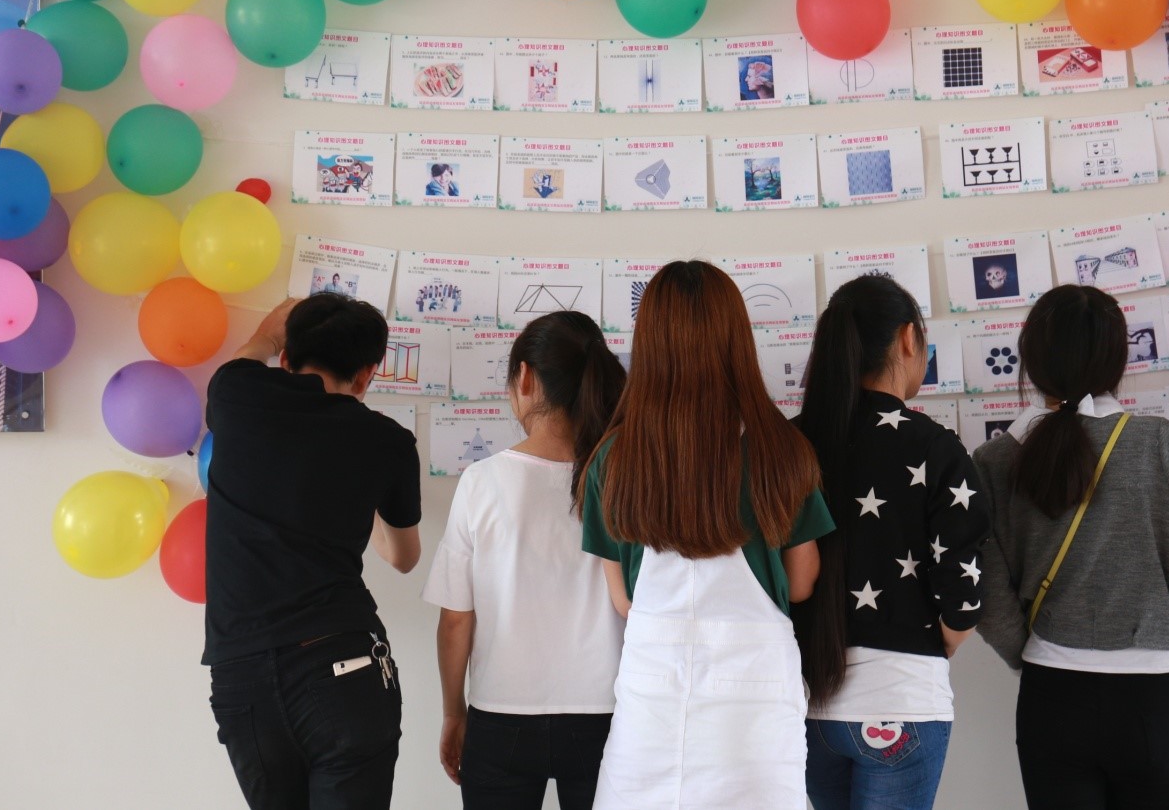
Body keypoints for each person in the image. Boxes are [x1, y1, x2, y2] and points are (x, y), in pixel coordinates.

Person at [973, 284, 1169, 810]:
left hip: (1052, 693)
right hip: (1153, 699)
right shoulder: (1160, 443)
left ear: (1031, 359)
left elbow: (988, 592)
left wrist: (1035, 650)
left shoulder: (994, 460)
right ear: (1119, 359)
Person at [580, 259, 835, 810]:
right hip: (755, 697)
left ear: (650, 343)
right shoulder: (780, 449)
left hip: (653, 694)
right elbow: (801, 583)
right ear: (735, 340)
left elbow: (623, 600)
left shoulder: (614, 457)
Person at [203, 294, 423, 810]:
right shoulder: (387, 441)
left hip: (242, 672)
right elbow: (403, 556)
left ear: (285, 359)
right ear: (366, 375)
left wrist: (269, 332)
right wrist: (359, 490)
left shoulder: (237, 396)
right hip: (343, 664)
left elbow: (246, 356)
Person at [791, 275, 990, 810]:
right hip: (904, 700)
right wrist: (933, 642)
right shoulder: (938, 449)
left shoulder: (787, 446)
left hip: (801, 703)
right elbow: (964, 599)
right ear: (907, 338)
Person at [422, 311, 628, 809]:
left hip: (501, 715)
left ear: (525, 378)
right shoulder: (622, 479)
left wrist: (453, 712)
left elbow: (456, 620)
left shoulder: (482, 482)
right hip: (608, 711)